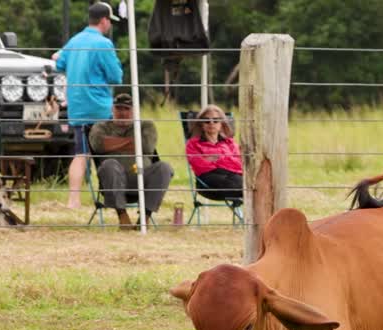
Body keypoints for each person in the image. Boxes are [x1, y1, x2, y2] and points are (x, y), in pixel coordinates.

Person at [55, 2, 124, 210]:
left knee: (80, 154)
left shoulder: (74, 41)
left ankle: (73, 200)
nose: (110, 25)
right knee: (105, 155)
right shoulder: (103, 44)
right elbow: (116, 77)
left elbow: (59, 64)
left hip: (77, 108)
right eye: (110, 22)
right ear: (104, 20)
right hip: (100, 108)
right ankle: (111, 198)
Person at [88, 93, 174, 229]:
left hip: (141, 174)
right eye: (119, 108)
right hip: (114, 178)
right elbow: (98, 145)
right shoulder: (101, 127)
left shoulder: (146, 126)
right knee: (109, 165)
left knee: (164, 168)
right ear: (112, 110)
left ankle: (145, 218)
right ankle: (123, 217)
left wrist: (112, 143)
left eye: (127, 109)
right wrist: (133, 142)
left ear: (135, 111)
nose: (122, 113)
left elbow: (147, 146)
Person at [184, 105, 243, 203]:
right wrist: (226, 160)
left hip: (233, 177)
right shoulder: (193, 144)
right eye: (207, 121)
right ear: (201, 124)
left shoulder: (230, 143)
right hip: (208, 184)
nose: (211, 123)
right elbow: (200, 167)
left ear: (221, 124)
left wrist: (216, 159)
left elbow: (239, 164)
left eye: (216, 120)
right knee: (243, 185)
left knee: (244, 183)